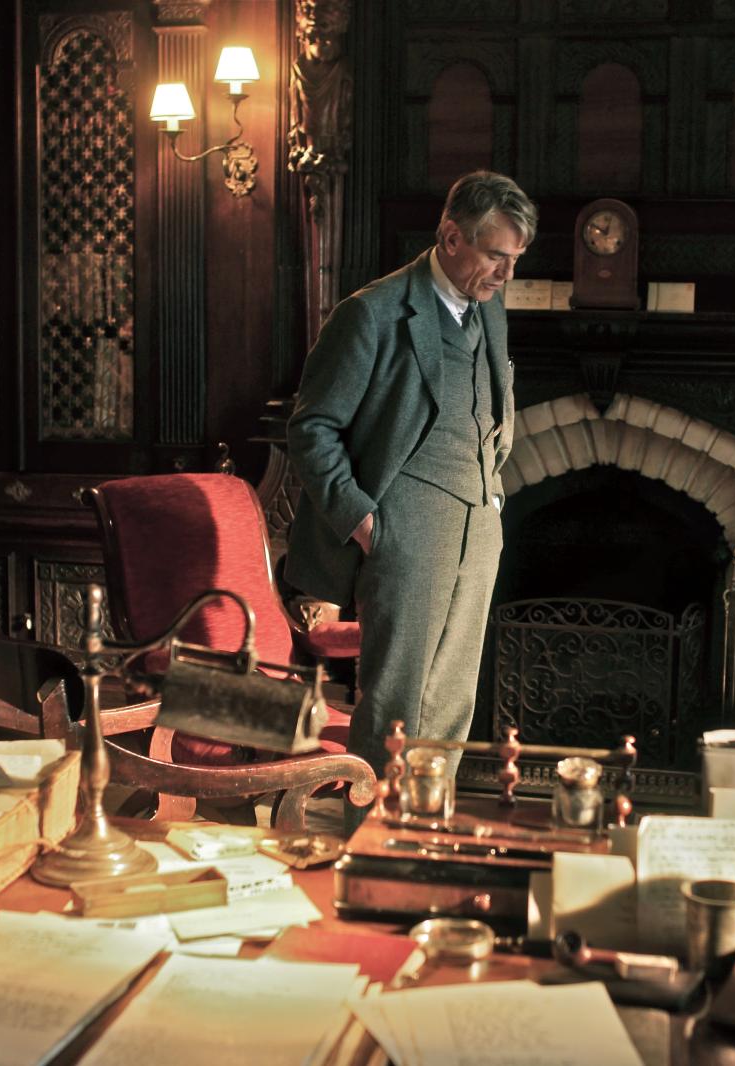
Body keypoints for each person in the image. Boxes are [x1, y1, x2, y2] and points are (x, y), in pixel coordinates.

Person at [286, 170, 536, 824]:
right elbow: (311, 429)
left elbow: (491, 405)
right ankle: (367, 840)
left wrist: (493, 498)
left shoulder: (489, 307)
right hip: (404, 528)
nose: (507, 273)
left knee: (451, 703)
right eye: (495, 255)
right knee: (395, 703)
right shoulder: (371, 313)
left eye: (515, 258)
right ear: (451, 236)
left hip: (479, 524)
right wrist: (366, 523)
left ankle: (421, 831)